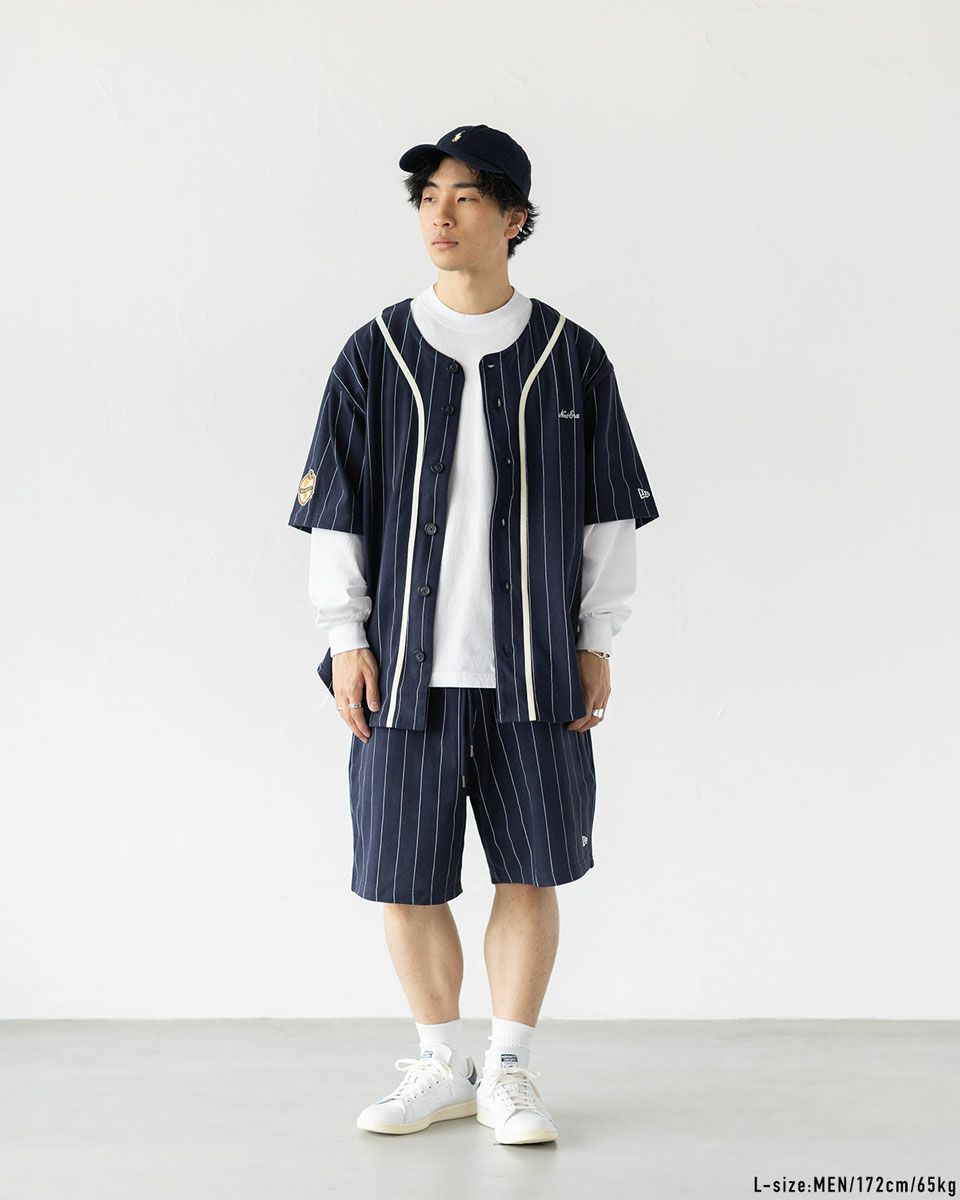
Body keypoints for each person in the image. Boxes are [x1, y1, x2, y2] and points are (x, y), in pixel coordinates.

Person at [288, 124, 660, 1145]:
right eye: (426, 198)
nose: (439, 217)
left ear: (514, 217)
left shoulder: (572, 357)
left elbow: (608, 513)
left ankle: (508, 1070)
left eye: (463, 197)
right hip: (402, 670)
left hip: (536, 669)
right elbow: (336, 509)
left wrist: (598, 638)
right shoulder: (375, 353)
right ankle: (439, 1063)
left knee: (530, 870)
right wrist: (346, 636)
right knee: (403, 876)